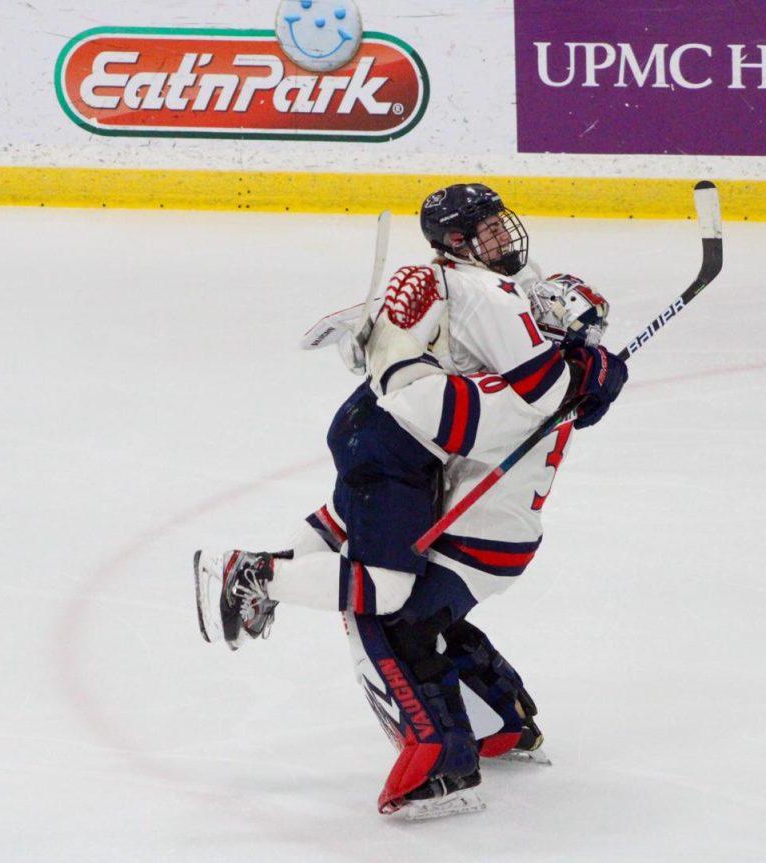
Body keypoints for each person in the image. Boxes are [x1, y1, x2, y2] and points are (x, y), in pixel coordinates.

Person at [194, 184, 628, 818]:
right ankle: (499, 725)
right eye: (487, 231)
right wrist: (600, 374)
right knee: (397, 591)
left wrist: (387, 349)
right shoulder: (531, 368)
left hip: (448, 499)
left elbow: (454, 399)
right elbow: (546, 387)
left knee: (391, 611)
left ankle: (441, 759)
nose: (505, 241)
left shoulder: (511, 379)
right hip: (446, 490)